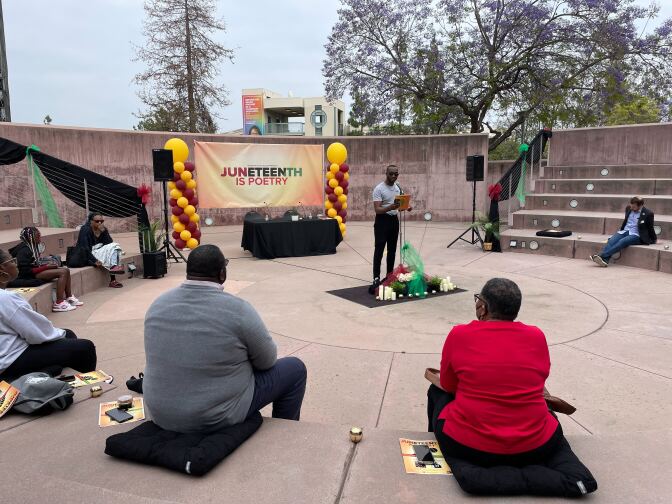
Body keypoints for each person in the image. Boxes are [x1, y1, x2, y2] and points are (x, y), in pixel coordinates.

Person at [143, 244, 307, 434]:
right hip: (212, 418)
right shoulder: (238, 310)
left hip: (159, 413)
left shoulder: (157, 305)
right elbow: (267, 361)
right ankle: (285, 437)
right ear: (222, 274)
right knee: (294, 369)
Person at [426, 278, 563, 467]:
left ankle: (433, 456)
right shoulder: (536, 336)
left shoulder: (460, 335)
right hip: (535, 447)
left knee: (436, 391)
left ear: (482, 307)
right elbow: (541, 376)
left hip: (468, 445)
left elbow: (449, 385)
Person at [0, 249, 97, 381]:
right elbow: (35, 333)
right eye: (12, 261)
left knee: (68, 335)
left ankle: (53, 374)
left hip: (7, 353)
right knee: (85, 348)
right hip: (9, 361)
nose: (15, 264)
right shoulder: (6, 299)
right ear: (2, 269)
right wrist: (57, 334)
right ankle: (87, 386)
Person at [9, 227, 82, 312]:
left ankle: (69, 297)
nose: (40, 238)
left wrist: (47, 264)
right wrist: (46, 267)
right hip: (27, 275)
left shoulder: (31, 246)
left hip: (32, 272)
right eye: (37, 236)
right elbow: (24, 271)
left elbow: (34, 264)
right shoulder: (24, 250)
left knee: (65, 270)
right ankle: (59, 303)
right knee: (62, 272)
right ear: (30, 238)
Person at [369, 164, 412, 294]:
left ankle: (389, 276)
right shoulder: (379, 189)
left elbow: (401, 204)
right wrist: (390, 207)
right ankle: (376, 277)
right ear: (386, 173)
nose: (393, 176)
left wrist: (407, 207)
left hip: (394, 221)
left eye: (396, 174)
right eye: (391, 174)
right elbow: (377, 209)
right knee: (379, 250)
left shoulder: (398, 187)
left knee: (392, 250)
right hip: (382, 221)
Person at [590, 196, 656, 267]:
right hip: (625, 231)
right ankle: (605, 260)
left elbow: (650, 227)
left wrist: (653, 239)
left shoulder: (648, 213)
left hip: (636, 235)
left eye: (634, 207)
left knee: (622, 241)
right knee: (611, 240)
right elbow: (626, 221)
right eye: (631, 206)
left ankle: (602, 255)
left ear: (640, 206)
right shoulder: (628, 208)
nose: (632, 208)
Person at [76, 212, 125, 288]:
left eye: (102, 221)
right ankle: (113, 277)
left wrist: (104, 231)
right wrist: (94, 260)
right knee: (114, 249)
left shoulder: (102, 229)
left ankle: (114, 273)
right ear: (91, 221)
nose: (99, 223)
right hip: (88, 254)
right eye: (97, 221)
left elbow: (109, 243)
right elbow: (84, 247)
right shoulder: (85, 229)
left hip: (99, 251)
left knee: (115, 247)